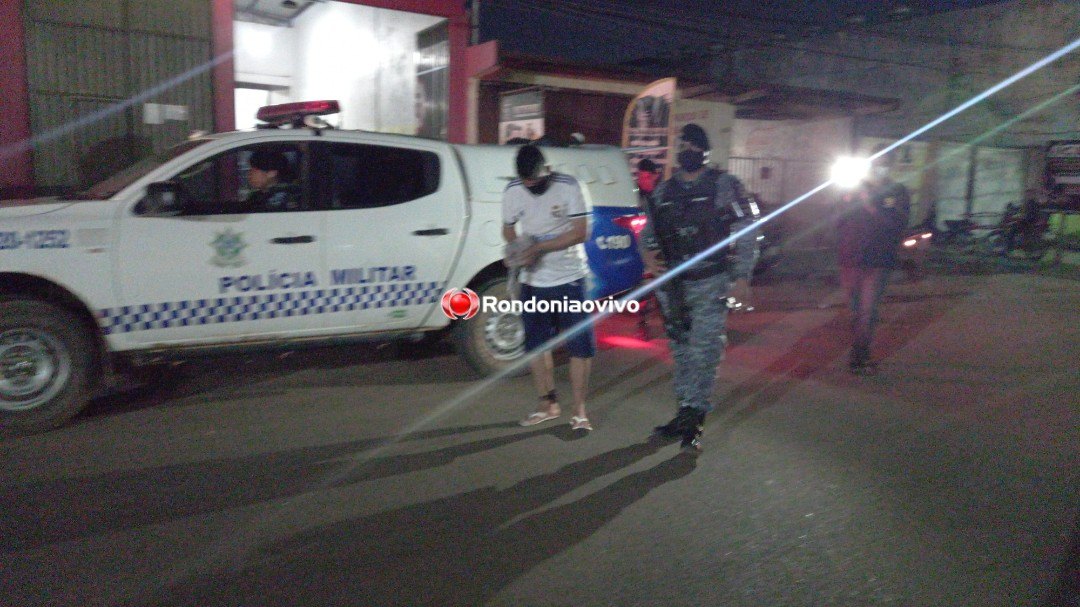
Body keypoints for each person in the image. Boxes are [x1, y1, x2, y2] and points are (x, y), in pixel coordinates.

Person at [638, 123, 756, 450]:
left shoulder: (724, 186)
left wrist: (742, 276)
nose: (687, 152)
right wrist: (648, 258)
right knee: (681, 353)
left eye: (693, 146)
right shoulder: (664, 191)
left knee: (704, 352)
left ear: (705, 151)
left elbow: (747, 230)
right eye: (683, 146)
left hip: (711, 281)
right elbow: (647, 235)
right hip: (674, 287)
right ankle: (684, 413)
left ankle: (694, 419)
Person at [502, 145, 596, 432]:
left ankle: (579, 411)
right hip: (533, 281)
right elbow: (508, 228)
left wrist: (539, 247)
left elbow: (581, 232)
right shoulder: (513, 190)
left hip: (570, 278)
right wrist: (518, 248)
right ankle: (547, 405)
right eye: (527, 184)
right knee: (537, 346)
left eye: (537, 183)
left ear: (548, 171)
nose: (533, 188)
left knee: (579, 348)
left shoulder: (569, 186)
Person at [836, 149, 910, 375]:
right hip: (851, 259)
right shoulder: (854, 188)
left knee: (867, 312)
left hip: (878, 261)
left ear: (891, 166)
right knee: (855, 311)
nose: (879, 167)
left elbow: (899, 224)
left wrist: (872, 207)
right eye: (876, 163)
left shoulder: (897, 191)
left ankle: (859, 359)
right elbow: (838, 219)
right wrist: (845, 197)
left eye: (884, 163)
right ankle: (859, 353)